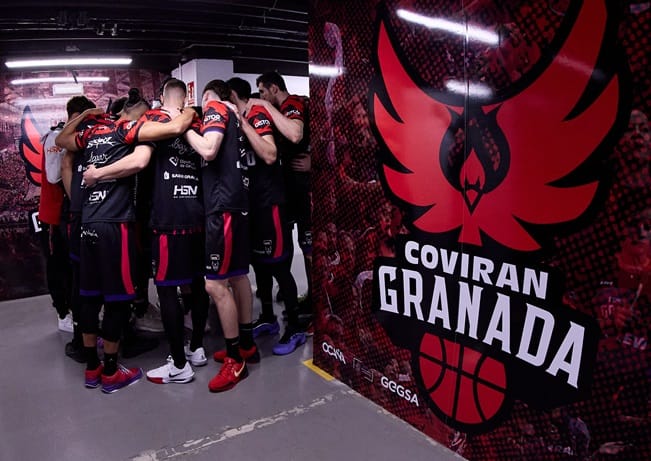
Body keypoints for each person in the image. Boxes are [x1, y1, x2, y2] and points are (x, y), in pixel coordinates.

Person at [56, 88, 195, 393]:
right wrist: (189, 111)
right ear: (134, 113)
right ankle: (110, 371)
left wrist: (86, 114)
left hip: (88, 223)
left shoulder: (93, 132)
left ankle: (91, 368)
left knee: (90, 297)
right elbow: (172, 130)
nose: (149, 118)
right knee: (117, 300)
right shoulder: (128, 129)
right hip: (114, 225)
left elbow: (62, 140)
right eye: (146, 114)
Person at [83, 79, 209, 384]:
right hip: (197, 212)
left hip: (167, 216)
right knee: (195, 283)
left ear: (162, 97)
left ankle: (179, 364)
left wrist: (98, 174)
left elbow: (140, 160)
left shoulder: (153, 119)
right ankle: (196, 348)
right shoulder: (197, 121)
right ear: (185, 98)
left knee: (167, 288)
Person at [223, 76, 307, 356]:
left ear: (233, 96)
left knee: (279, 266)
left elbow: (270, 155)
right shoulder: (237, 121)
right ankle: (269, 317)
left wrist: (245, 121)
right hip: (252, 206)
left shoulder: (257, 115)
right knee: (259, 265)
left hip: (270, 203)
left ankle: (295, 327)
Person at [183, 79, 252, 392]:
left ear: (210, 95)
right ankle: (246, 344)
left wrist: (186, 128)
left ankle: (235, 359)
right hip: (236, 204)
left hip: (222, 206)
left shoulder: (215, 107)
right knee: (238, 276)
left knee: (214, 284)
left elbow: (209, 150)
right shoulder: (234, 115)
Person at [249, 71, 313, 324]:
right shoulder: (277, 111)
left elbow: (296, 134)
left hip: (304, 190)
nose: (261, 97)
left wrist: (314, 162)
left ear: (274, 89)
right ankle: (292, 292)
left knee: (308, 248)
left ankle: (314, 300)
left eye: (263, 92)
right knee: (288, 245)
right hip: (287, 189)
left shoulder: (293, 103)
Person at [58, 95, 103, 362]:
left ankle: (84, 341)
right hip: (94, 214)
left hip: (86, 215)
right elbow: (64, 164)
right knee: (88, 281)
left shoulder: (82, 138)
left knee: (83, 282)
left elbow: (65, 165)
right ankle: (85, 338)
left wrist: (77, 203)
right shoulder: (78, 138)